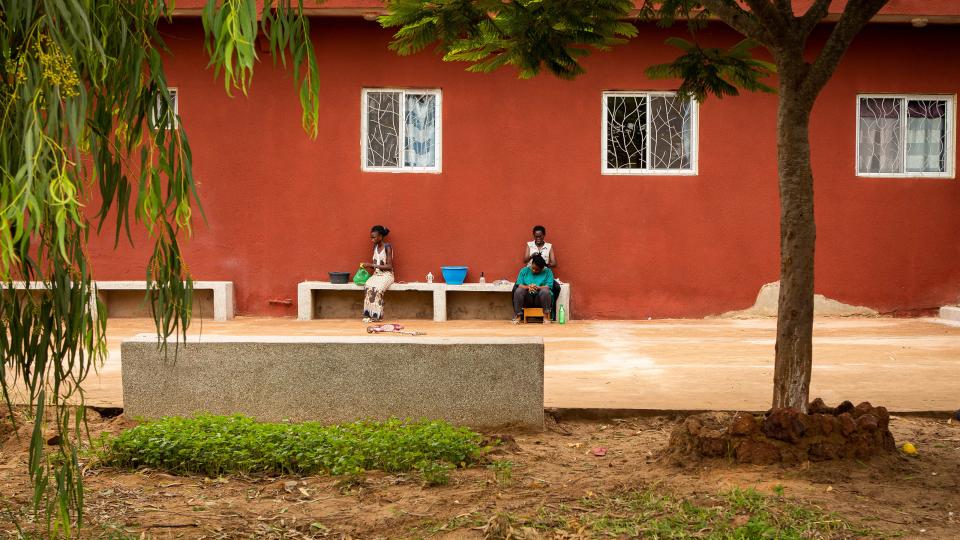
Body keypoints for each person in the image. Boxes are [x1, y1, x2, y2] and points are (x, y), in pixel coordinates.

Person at [522, 225, 561, 318]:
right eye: (536, 236)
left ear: (544, 235)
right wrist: (532, 255)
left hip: (544, 274)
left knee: (557, 288)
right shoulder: (529, 245)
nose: (538, 238)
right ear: (533, 235)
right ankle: (519, 313)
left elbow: (554, 263)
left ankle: (551, 311)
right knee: (516, 288)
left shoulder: (549, 246)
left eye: (540, 236)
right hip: (530, 273)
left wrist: (544, 264)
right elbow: (524, 260)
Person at [361, 225, 394, 323]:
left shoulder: (388, 247)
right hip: (376, 275)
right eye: (371, 237)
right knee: (368, 286)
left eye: (374, 237)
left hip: (387, 275)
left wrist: (371, 265)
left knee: (377, 289)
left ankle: (377, 315)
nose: (372, 239)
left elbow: (389, 266)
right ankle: (368, 314)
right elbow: (376, 265)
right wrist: (367, 266)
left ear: (380, 236)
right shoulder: (375, 247)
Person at [512, 254, 554, 324]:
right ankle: (518, 317)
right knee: (519, 290)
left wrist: (538, 287)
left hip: (540, 299)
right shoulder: (524, 271)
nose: (534, 270)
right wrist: (528, 287)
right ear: (531, 264)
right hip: (527, 298)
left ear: (542, 268)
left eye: (537, 270)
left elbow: (548, 286)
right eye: (533, 268)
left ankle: (545, 317)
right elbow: (519, 284)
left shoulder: (548, 272)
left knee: (545, 291)